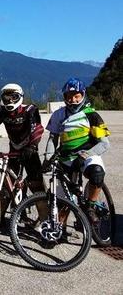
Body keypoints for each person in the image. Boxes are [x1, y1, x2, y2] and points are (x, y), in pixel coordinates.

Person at [44, 77, 110, 223]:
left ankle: (91, 207)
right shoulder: (58, 115)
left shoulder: (92, 115)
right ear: (65, 97)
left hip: (88, 155)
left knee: (97, 174)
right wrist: (47, 159)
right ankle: (60, 230)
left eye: (76, 96)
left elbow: (105, 144)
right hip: (66, 158)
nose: (73, 99)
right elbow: (52, 139)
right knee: (63, 200)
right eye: (69, 96)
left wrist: (85, 155)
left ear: (83, 95)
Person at [0, 83, 45, 195]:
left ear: (20, 97)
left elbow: (37, 129)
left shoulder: (30, 110)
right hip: (14, 150)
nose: (10, 101)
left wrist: (32, 146)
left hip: (29, 152)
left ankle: (44, 212)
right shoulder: (2, 111)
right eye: (6, 98)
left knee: (37, 187)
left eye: (13, 97)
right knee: (7, 189)